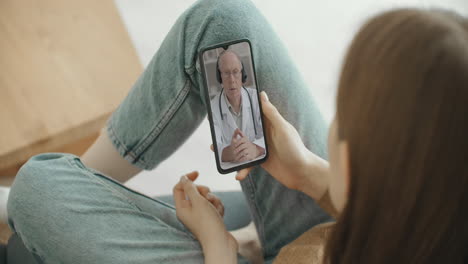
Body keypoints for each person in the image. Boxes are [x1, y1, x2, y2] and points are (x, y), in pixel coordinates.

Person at [4, 1, 468, 264]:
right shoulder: (443, 212)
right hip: (332, 235)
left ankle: (43, 220)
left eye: (342, 119)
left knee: (37, 194)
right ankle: (85, 186)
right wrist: (310, 175)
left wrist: (217, 245)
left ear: (353, 163)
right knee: (224, 25)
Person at [210, 50, 265, 164]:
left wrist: (256, 149)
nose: (231, 80)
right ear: (220, 78)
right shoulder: (212, 108)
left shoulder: (256, 98)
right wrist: (230, 152)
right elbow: (215, 147)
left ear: (242, 75)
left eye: (235, 72)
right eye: (226, 73)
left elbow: (270, 135)